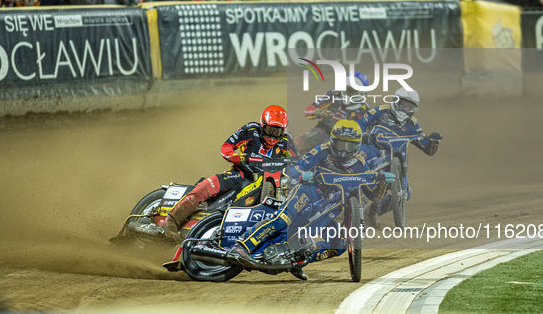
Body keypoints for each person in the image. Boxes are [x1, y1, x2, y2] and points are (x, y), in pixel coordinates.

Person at [226, 119, 394, 280]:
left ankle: (296, 260)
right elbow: (296, 167)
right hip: (309, 191)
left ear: (357, 146)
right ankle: (241, 246)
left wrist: (383, 184)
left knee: (340, 245)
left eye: (349, 146)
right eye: (340, 145)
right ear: (333, 141)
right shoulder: (322, 150)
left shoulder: (360, 164)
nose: (343, 151)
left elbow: (374, 195)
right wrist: (303, 174)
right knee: (282, 219)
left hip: (329, 206)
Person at [162, 105, 298, 243]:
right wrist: (235, 157)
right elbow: (226, 147)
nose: (273, 136)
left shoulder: (287, 140)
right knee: (208, 186)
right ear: (262, 125)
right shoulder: (250, 130)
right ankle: (171, 221)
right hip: (239, 174)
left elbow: (299, 161)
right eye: (270, 130)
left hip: (264, 182)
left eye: (278, 131)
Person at [357, 88, 442, 227]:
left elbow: (427, 148)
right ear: (396, 101)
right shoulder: (381, 111)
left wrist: (434, 141)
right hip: (372, 149)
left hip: (396, 158)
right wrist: (362, 134)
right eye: (402, 104)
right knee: (357, 161)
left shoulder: (412, 124)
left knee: (406, 194)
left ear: (414, 108)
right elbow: (360, 123)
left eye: (409, 106)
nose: (404, 108)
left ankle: (371, 211)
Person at [294, 72, 370, 155]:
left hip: (343, 140)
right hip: (322, 131)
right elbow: (308, 111)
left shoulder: (364, 109)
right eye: (346, 88)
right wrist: (321, 113)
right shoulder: (333, 94)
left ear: (362, 93)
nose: (348, 93)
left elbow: (366, 132)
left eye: (353, 91)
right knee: (297, 143)